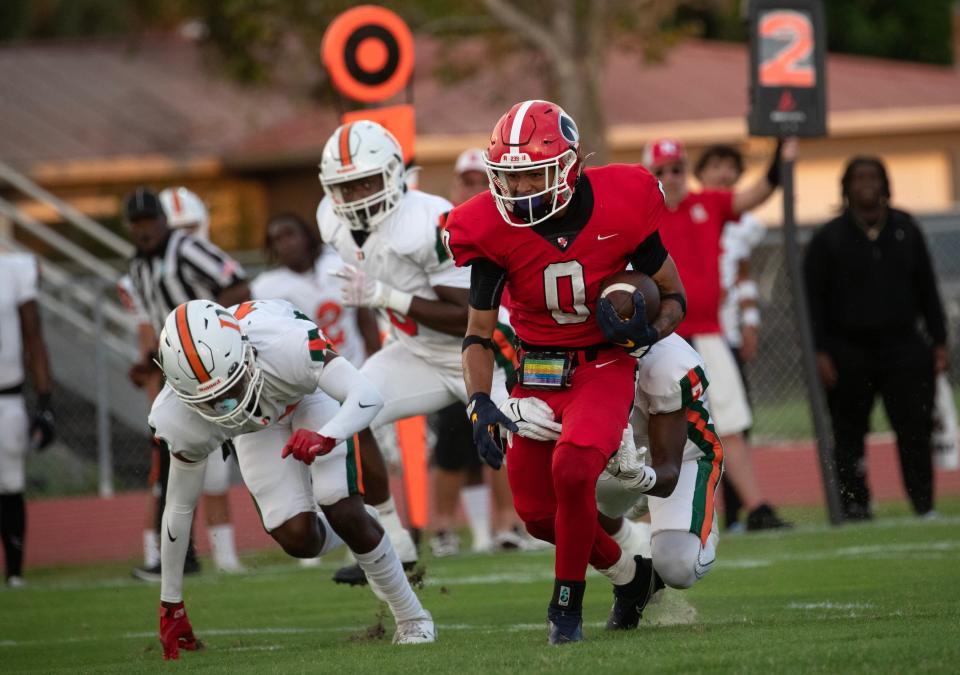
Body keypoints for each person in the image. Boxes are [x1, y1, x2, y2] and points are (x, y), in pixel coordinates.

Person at [444, 99, 686, 643]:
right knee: (535, 516)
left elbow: (673, 295)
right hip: (536, 371)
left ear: (568, 167)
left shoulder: (622, 200)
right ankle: (631, 577)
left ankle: (565, 612)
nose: (520, 191)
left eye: (533, 175)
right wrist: (480, 401)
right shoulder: (486, 225)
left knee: (574, 472)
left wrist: (648, 331)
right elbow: (478, 334)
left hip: (603, 363)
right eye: (510, 178)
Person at [153, 299, 434, 659]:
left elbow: (367, 396)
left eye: (232, 389)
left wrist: (326, 436)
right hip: (257, 429)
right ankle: (365, 526)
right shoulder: (178, 416)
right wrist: (170, 603)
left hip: (306, 394)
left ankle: (412, 618)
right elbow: (178, 506)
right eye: (212, 401)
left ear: (246, 352)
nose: (228, 405)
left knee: (340, 504)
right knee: (297, 537)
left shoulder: (286, 344)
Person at [316, 121, 509, 583]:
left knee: (549, 465)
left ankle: (629, 545)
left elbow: (473, 315)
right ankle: (391, 543)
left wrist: (387, 296)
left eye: (365, 181)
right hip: (416, 355)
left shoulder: (429, 220)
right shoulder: (333, 221)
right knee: (350, 411)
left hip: (485, 357)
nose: (357, 195)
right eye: (345, 186)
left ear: (394, 174)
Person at [645, 137, 792, 531]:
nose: (671, 177)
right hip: (663, 337)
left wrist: (781, 153)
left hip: (708, 332)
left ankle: (756, 506)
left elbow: (757, 194)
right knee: (658, 429)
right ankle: (651, 515)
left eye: (677, 169)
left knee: (730, 422)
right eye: (661, 171)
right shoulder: (643, 213)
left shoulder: (707, 204)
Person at [803, 157, 949, 521]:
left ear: (886, 184)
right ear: (846, 186)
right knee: (849, 433)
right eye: (858, 178)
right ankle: (855, 504)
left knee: (914, 427)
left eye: (874, 177)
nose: (866, 184)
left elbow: (928, 289)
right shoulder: (828, 238)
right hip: (847, 350)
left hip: (904, 346)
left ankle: (924, 505)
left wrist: (940, 340)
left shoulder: (906, 228)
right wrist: (819, 351)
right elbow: (812, 302)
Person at [125, 186, 250, 579]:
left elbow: (238, 283)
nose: (145, 230)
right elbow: (161, 324)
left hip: (218, 365)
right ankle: (180, 557)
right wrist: (147, 362)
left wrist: (218, 333)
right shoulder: (138, 267)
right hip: (182, 375)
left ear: (163, 220)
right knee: (171, 458)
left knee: (247, 445)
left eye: (150, 221)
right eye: (137, 224)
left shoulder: (187, 248)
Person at [431, 148, 530, 556]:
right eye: (466, 181)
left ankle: (507, 523)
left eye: (479, 181)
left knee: (506, 429)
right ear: (455, 186)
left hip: (502, 337)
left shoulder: (508, 219)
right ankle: (444, 528)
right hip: (452, 344)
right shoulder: (439, 227)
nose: (473, 189)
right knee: (453, 442)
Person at [694, 144, 767, 531]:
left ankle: (740, 510)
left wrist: (750, 322)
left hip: (725, 331)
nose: (722, 173)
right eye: (715, 165)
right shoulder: (692, 212)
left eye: (729, 167)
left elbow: (742, 278)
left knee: (733, 420)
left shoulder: (740, 222)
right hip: (692, 330)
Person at [0, 253, 54, 587]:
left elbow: (33, 335)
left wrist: (45, 401)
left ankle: (15, 574)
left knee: (10, 484)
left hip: (8, 395)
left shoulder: (14, 269)